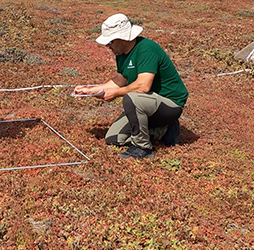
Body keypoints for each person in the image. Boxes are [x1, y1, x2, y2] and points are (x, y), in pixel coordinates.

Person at [75, 13, 188, 159]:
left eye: (110, 41)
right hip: (147, 104)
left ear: (122, 38)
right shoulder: (121, 53)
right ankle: (163, 131)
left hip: (170, 105)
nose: (107, 46)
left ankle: (142, 147)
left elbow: (143, 86)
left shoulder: (147, 49)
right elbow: (120, 79)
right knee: (114, 138)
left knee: (131, 98)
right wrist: (90, 91)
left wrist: (115, 93)